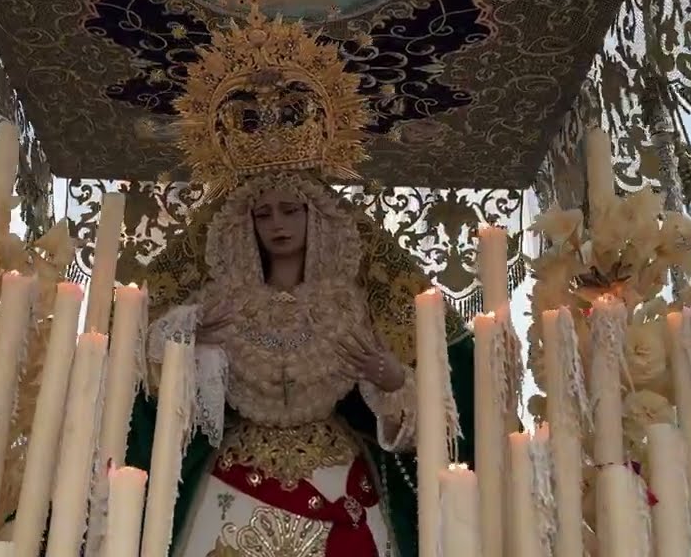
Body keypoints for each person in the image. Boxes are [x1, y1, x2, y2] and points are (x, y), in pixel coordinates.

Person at [122, 169, 479, 556]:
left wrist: (392, 381)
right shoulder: (220, 306)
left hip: (336, 466)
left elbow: (405, 416)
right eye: (264, 214)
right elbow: (168, 394)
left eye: (291, 210)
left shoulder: (348, 306)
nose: (278, 224)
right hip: (236, 473)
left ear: (315, 216)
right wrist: (186, 341)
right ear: (246, 223)